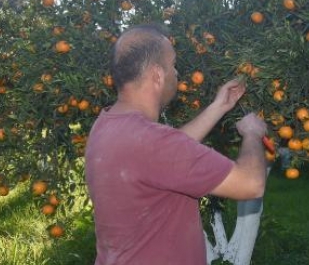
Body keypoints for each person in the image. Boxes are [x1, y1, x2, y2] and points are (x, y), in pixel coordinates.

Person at [85, 24, 268, 265]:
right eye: (173, 65)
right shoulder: (152, 142)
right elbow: (251, 184)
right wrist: (252, 134)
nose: (177, 73)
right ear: (157, 75)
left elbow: (167, 155)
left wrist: (219, 106)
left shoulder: (107, 124)